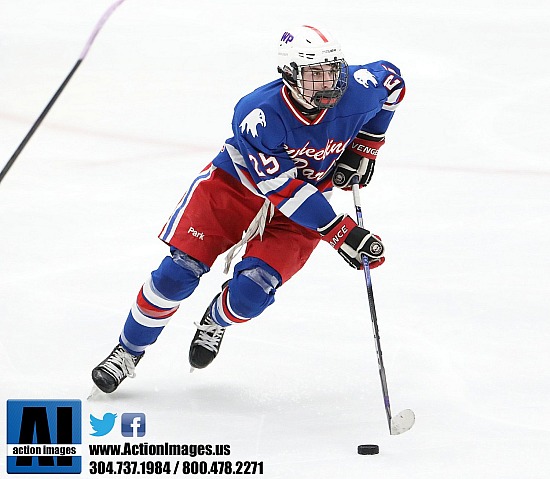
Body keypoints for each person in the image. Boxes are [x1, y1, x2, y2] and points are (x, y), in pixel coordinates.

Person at [91, 24, 405, 393]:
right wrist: (341, 233)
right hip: (235, 190)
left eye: (332, 70)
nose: (328, 83)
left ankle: (216, 321)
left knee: (252, 295)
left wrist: (368, 143)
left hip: (304, 204)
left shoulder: (359, 88)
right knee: (177, 273)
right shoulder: (258, 114)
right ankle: (127, 351)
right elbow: (283, 189)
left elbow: (394, 84)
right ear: (288, 74)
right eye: (314, 74)